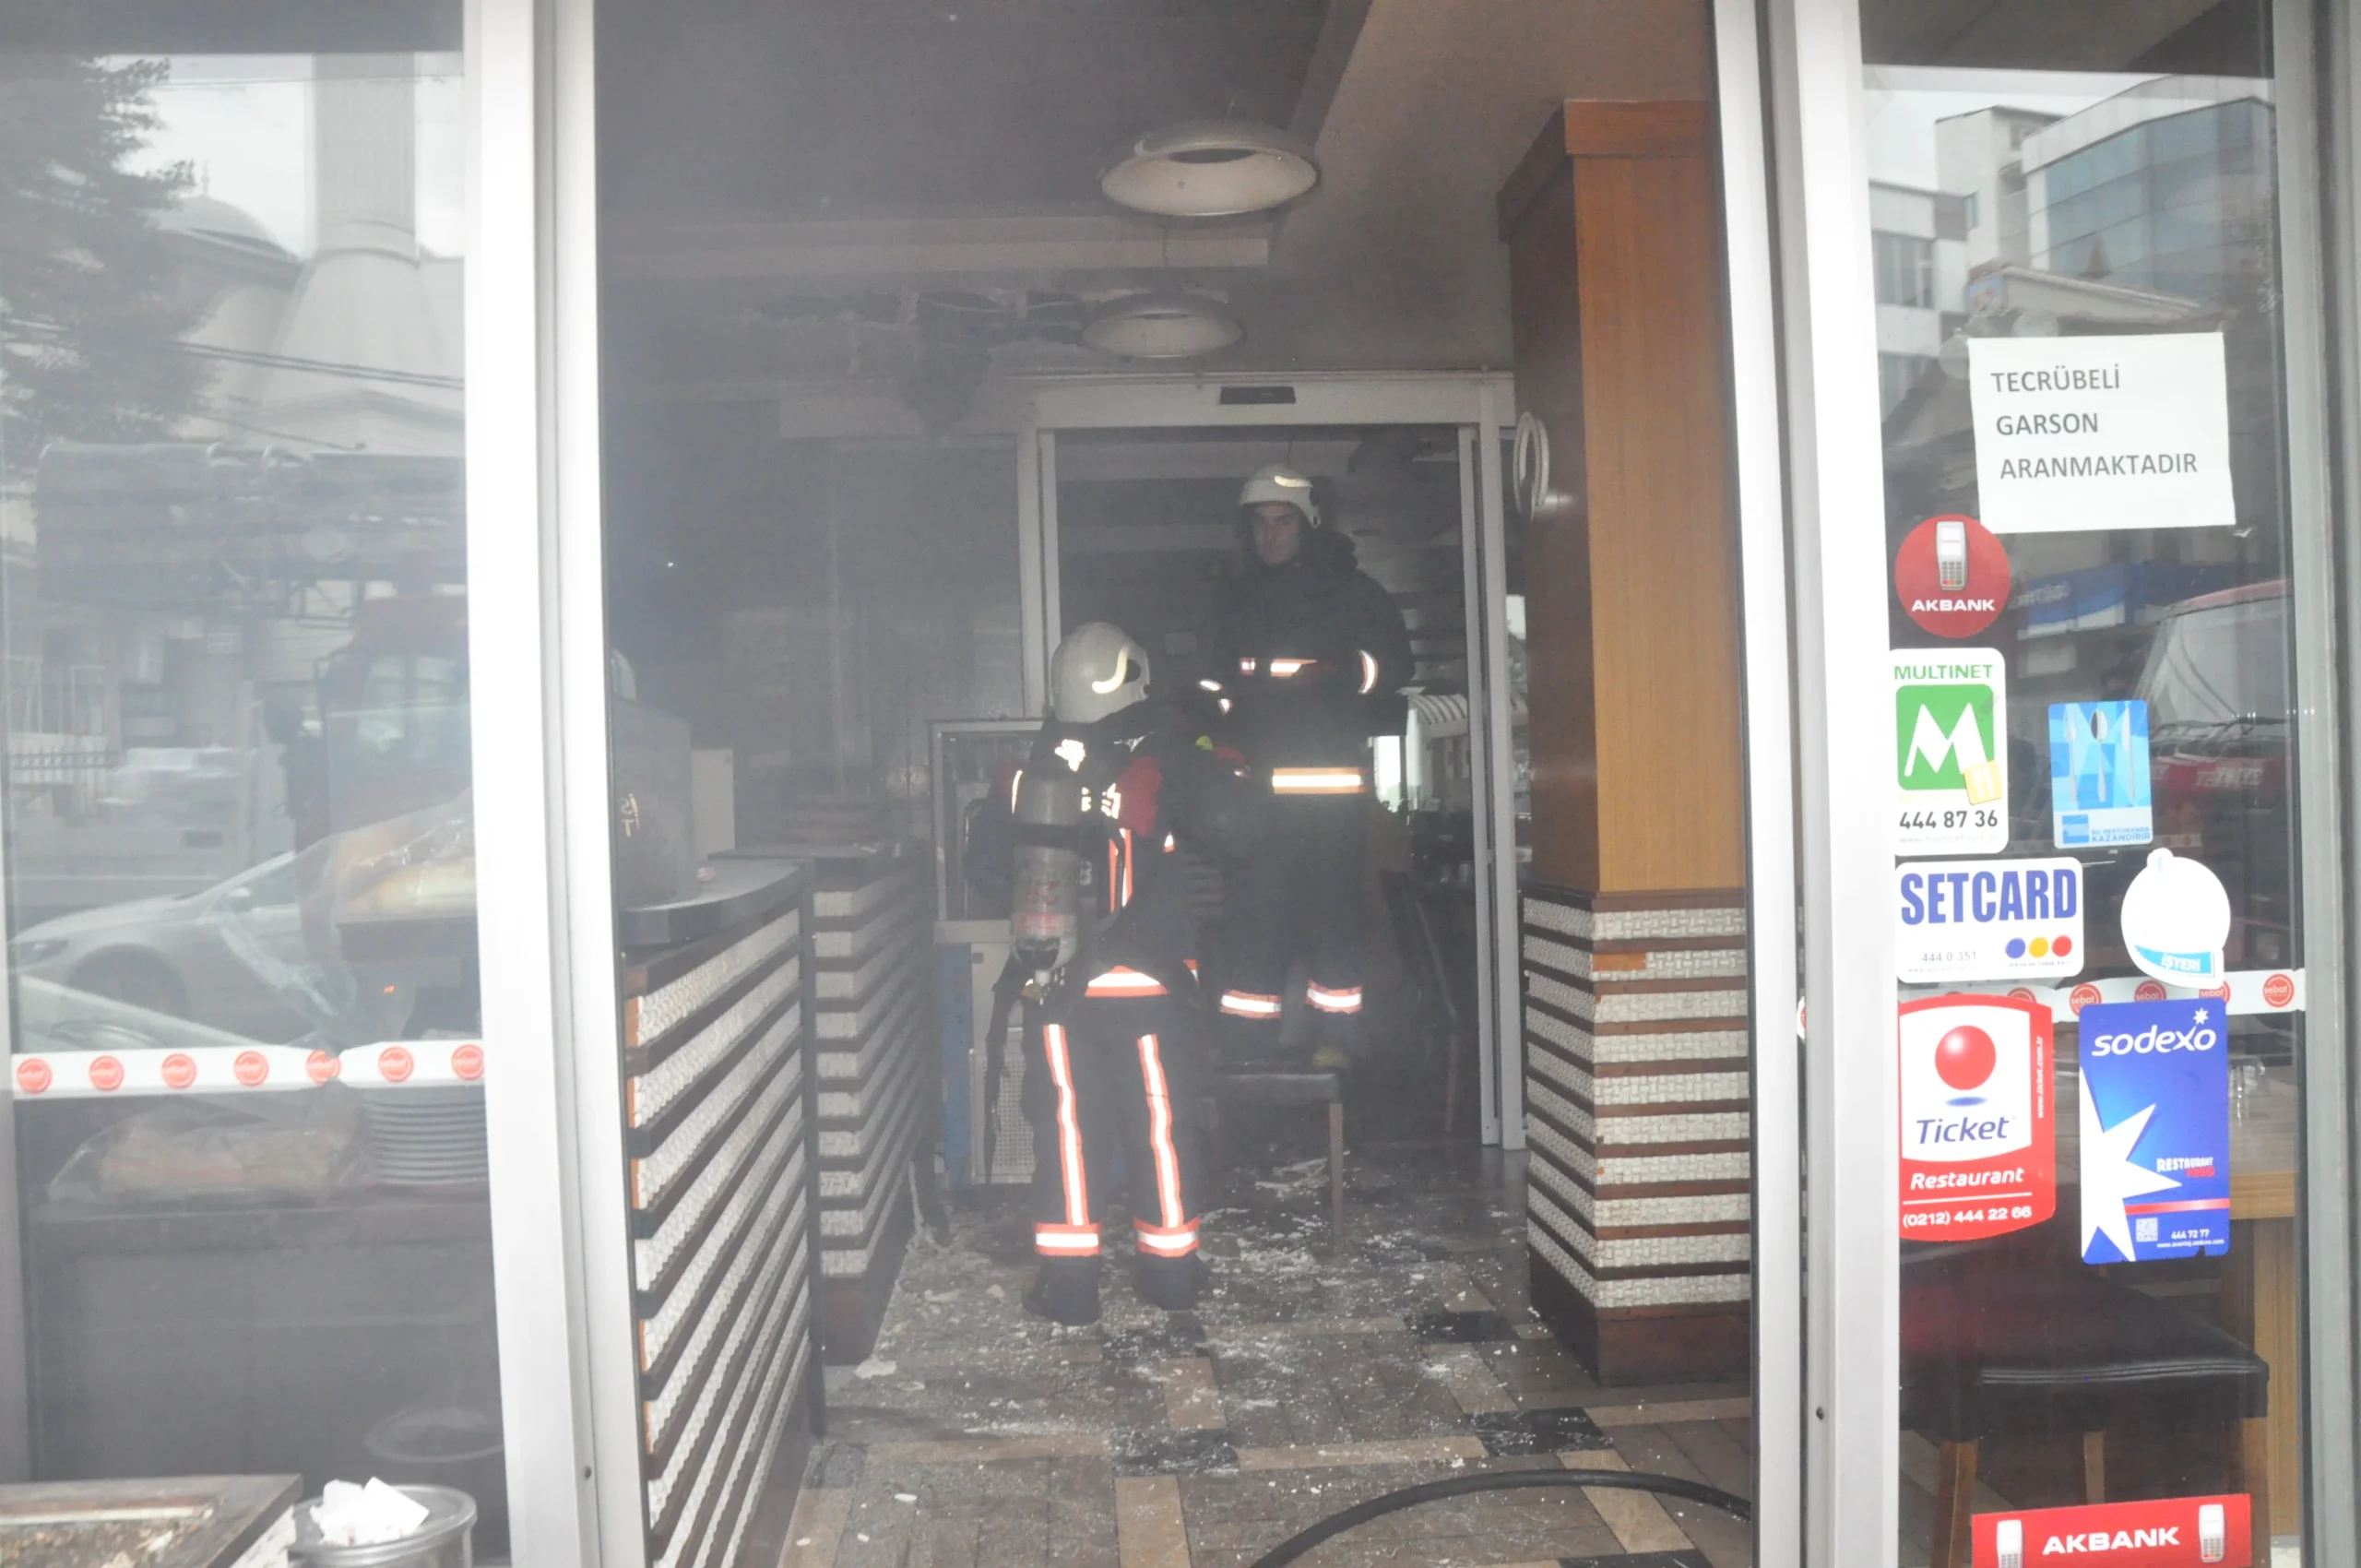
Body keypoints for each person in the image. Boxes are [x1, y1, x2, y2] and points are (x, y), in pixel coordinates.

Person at [1004, 622, 1265, 1325]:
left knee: (1065, 1132)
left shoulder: (1033, 770)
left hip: (1054, 987)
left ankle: (1069, 1290)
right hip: (1148, 992)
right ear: (1134, 677)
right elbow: (1244, 830)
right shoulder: (1167, 760)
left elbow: (984, 867)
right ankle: (1173, 1277)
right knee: (1159, 1131)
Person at [1201, 464, 1413, 1068]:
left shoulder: (1355, 595)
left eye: (1283, 522)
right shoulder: (1235, 601)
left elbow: (1395, 667)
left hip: (1328, 809)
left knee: (1333, 928)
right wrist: (1214, 729)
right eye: (1260, 525)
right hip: (1254, 810)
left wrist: (1343, 676)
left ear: (1310, 525)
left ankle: (1336, 1047)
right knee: (1254, 932)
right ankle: (1248, 1055)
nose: (1270, 537)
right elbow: (1210, 686)